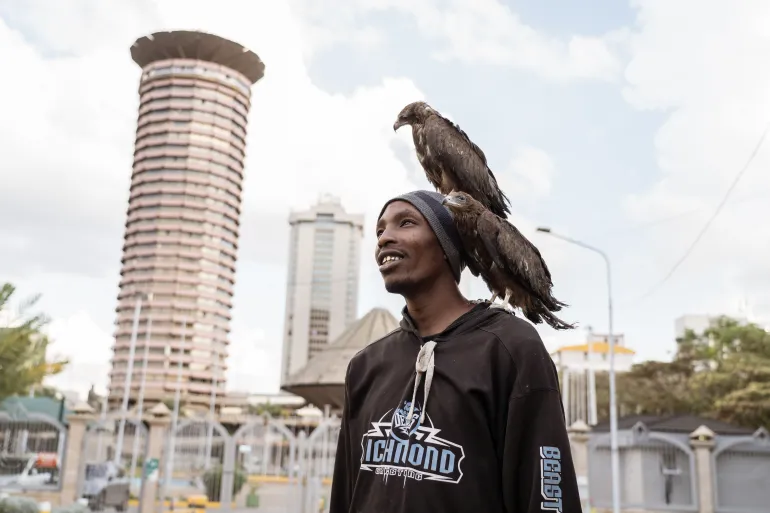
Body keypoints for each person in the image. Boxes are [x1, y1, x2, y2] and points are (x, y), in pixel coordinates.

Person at [329, 190, 581, 513]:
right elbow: (345, 494)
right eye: (380, 230)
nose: (384, 238)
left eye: (406, 223)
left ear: (447, 244)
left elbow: (548, 493)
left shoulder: (511, 348)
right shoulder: (365, 366)